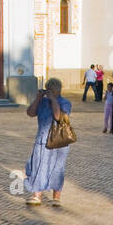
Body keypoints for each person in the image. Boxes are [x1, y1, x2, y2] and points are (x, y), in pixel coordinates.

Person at [23, 78, 72, 206]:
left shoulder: (65, 103)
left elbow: (58, 117)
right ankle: (37, 196)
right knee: (38, 166)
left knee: (57, 169)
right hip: (42, 140)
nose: (49, 92)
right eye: (48, 89)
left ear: (58, 90)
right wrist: (38, 98)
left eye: (52, 90)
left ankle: (56, 197)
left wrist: (53, 100)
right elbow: (30, 113)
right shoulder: (42, 102)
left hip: (59, 141)